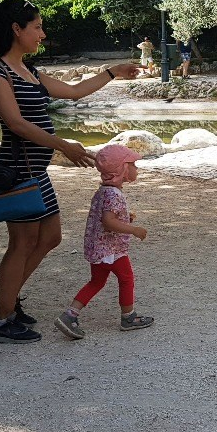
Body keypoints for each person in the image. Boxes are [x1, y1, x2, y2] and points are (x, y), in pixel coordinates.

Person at [0, 0, 140, 344]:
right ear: (16, 29)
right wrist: (63, 145)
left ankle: (5, 301)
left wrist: (112, 72)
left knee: (50, 237)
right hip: (17, 169)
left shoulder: (29, 71)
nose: (42, 34)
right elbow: (16, 123)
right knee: (21, 243)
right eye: (37, 27)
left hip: (36, 171)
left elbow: (73, 91)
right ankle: (2, 321)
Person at [55, 144, 154, 340]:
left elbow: (107, 217)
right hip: (111, 250)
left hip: (100, 248)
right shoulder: (113, 194)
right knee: (126, 278)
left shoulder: (105, 191)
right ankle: (128, 317)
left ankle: (70, 315)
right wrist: (133, 229)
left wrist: (125, 219)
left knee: (97, 281)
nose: (136, 168)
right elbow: (108, 222)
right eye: (133, 164)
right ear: (122, 169)